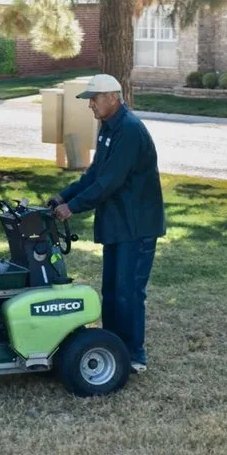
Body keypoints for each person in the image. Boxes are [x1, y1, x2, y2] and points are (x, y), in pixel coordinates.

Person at [48, 74, 166, 373]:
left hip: (136, 225)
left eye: (94, 98)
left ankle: (135, 355)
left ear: (113, 97)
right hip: (117, 223)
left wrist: (72, 208)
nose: (90, 104)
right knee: (112, 290)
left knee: (129, 291)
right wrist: (62, 196)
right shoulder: (108, 129)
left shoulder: (129, 130)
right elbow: (94, 175)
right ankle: (115, 348)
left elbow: (110, 182)